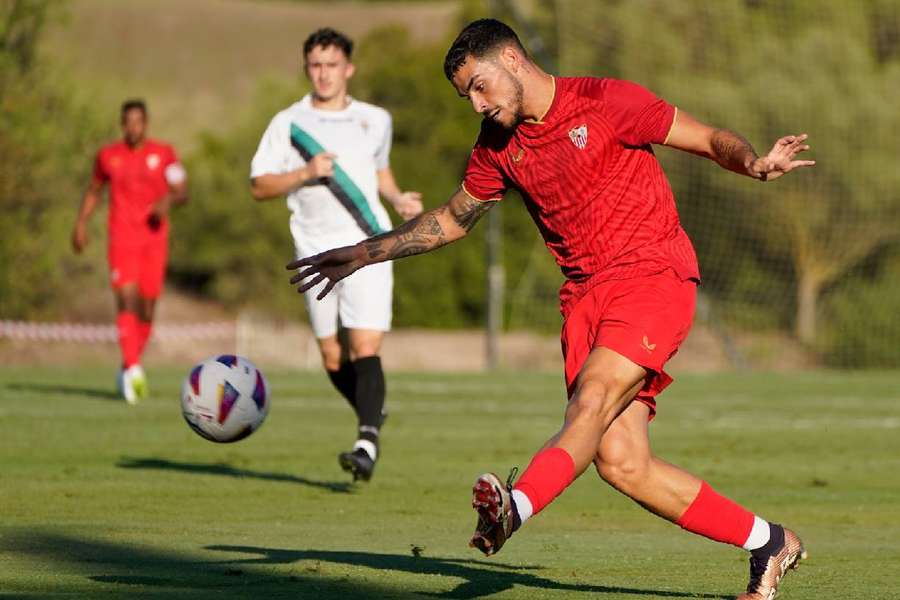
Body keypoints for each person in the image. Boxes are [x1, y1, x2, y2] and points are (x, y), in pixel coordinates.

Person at [289, 18, 814, 599]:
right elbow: (452, 220)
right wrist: (365, 252)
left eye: (480, 86)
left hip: (651, 275)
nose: (477, 104)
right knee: (622, 464)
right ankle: (769, 543)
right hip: (585, 298)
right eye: (467, 96)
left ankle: (513, 508)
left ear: (512, 60)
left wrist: (753, 163)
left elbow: (709, 138)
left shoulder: (608, 101)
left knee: (591, 400)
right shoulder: (497, 146)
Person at [250, 28, 423, 482]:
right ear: (306, 68)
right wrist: (305, 172)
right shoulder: (288, 123)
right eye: (315, 65)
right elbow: (259, 185)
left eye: (332, 65)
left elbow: (380, 173)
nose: (324, 74)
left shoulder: (375, 119)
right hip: (315, 251)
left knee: (365, 346)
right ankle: (372, 410)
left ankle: (366, 440)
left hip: (368, 244)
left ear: (349, 68)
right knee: (332, 357)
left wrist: (399, 198)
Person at [72, 99, 187, 404]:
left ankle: (127, 363)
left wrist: (168, 201)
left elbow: (182, 190)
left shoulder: (164, 154)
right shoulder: (108, 156)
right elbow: (95, 190)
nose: (133, 127)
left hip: (154, 240)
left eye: (139, 121)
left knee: (147, 310)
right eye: (128, 122)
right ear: (122, 124)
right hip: (122, 238)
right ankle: (134, 369)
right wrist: (81, 223)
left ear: (146, 123)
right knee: (126, 300)